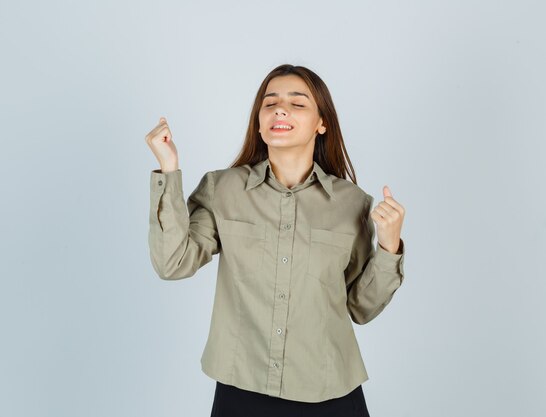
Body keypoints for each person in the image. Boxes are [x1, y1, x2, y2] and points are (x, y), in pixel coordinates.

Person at [145, 64, 406, 417]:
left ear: (321, 123)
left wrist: (389, 248)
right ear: (259, 121)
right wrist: (168, 169)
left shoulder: (351, 204)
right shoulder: (222, 190)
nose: (280, 109)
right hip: (242, 390)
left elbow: (361, 307)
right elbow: (173, 262)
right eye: (270, 104)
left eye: (298, 104)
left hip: (330, 393)